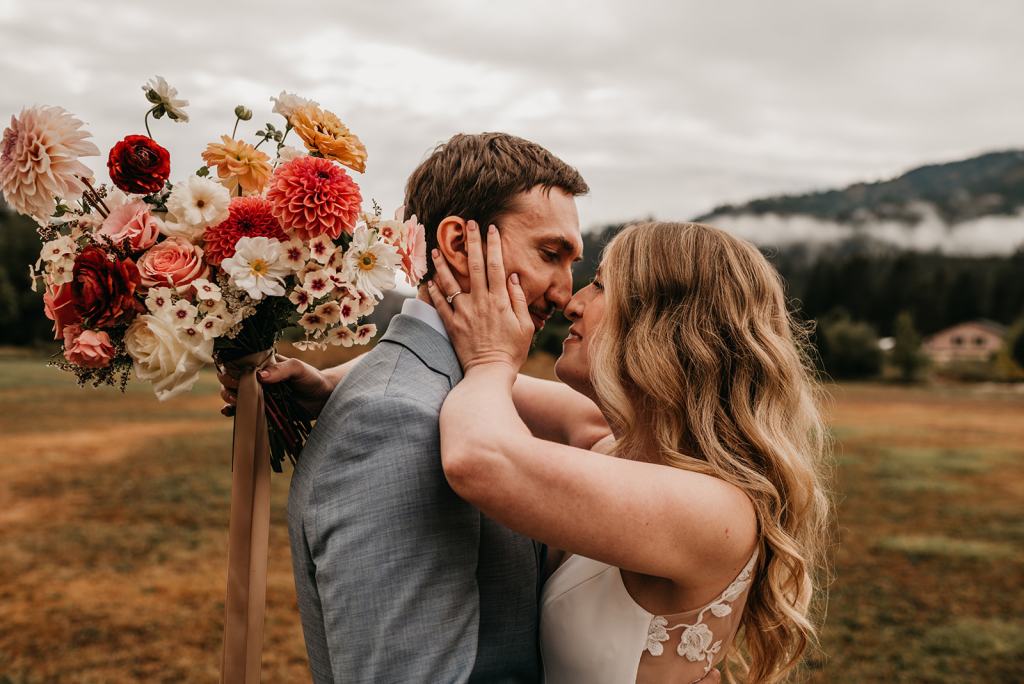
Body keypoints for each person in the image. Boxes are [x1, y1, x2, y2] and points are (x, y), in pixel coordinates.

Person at [221, 132, 596, 682]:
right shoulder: (392, 420)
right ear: (458, 244)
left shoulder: (466, 387)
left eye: (572, 263)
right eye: (550, 254)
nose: (565, 292)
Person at [424, 220, 831, 683]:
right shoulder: (617, 444)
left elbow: (478, 457)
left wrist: (491, 359)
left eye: (600, 286)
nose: (573, 303)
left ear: (666, 324)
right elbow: (464, 382)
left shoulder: (716, 510)